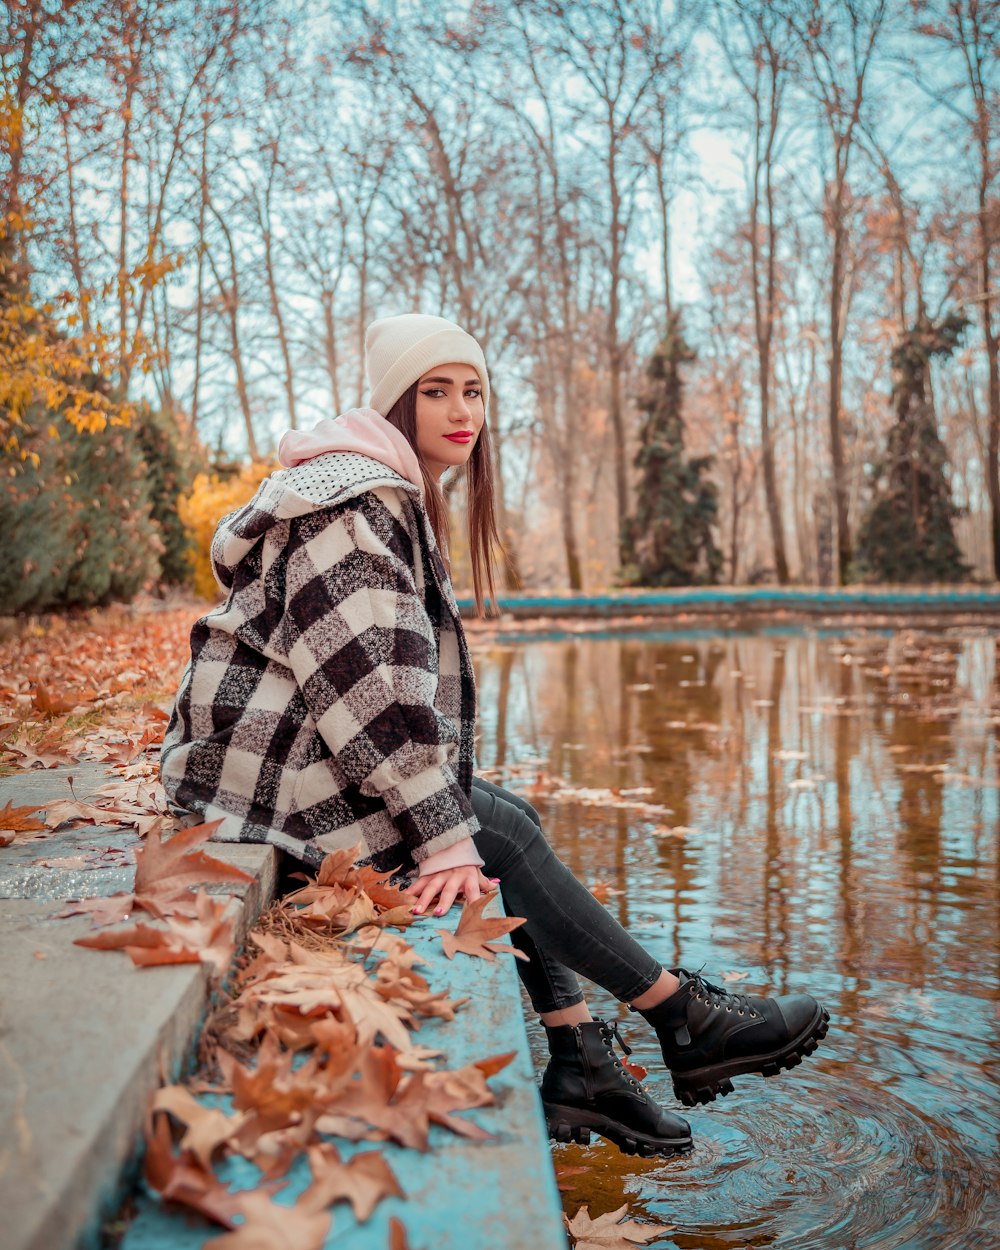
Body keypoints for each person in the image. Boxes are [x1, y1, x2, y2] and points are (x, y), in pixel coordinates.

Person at [160, 312, 829, 1159]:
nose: (460, 409)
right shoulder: (349, 506)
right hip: (259, 776)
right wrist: (442, 835)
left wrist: (449, 819)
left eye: (472, 390)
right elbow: (368, 694)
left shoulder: (389, 493)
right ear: (394, 404)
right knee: (491, 830)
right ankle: (677, 1016)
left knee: (505, 817)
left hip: (288, 757)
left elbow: (387, 694)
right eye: (434, 391)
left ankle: (586, 1057)